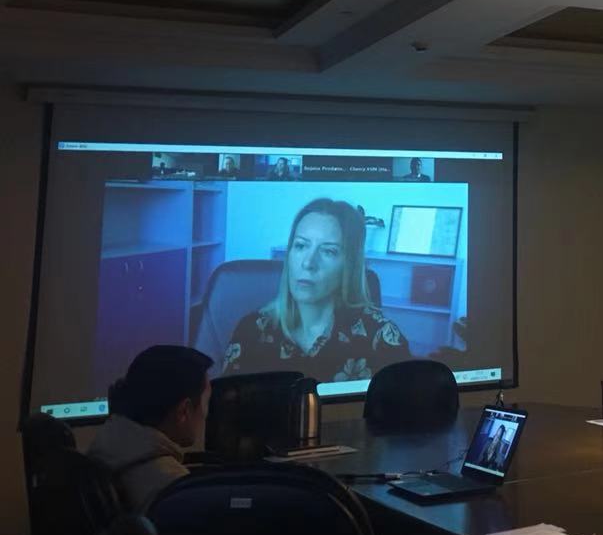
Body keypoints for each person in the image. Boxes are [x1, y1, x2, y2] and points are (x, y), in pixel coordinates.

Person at [222, 198, 410, 382]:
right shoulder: (251, 331)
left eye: (328, 251)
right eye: (301, 246)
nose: (308, 263)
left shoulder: (382, 338)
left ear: (349, 265)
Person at [89, 345, 213, 511]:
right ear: (184, 411)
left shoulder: (103, 448)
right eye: (206, 403)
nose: (206, 413)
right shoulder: (175, 490)